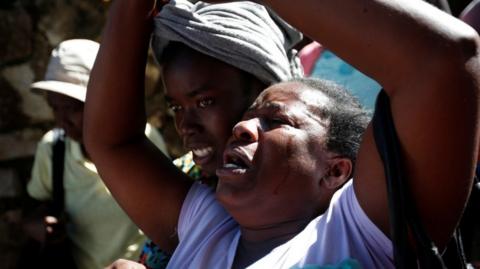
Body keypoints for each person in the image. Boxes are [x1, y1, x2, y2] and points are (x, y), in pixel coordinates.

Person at [86, 0, 480, 268]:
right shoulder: (206, 226)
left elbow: (443, 58)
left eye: (275, 121)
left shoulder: (358, 232)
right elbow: (113, 143)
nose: (243, 126)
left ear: (336, 172)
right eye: (250, 116)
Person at [89, 1, 304, 268]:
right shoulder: (191, 185)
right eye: (176, 107)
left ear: (266, 94)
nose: (185, 126)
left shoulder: (330, 208)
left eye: (204, 102)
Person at [24, 39, 169, 269]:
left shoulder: (143, 142)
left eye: (72, 108)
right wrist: (41, 225)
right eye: (55, 108)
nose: (62, 120)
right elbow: (36, 206)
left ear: (102, 100)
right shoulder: (53, 149)